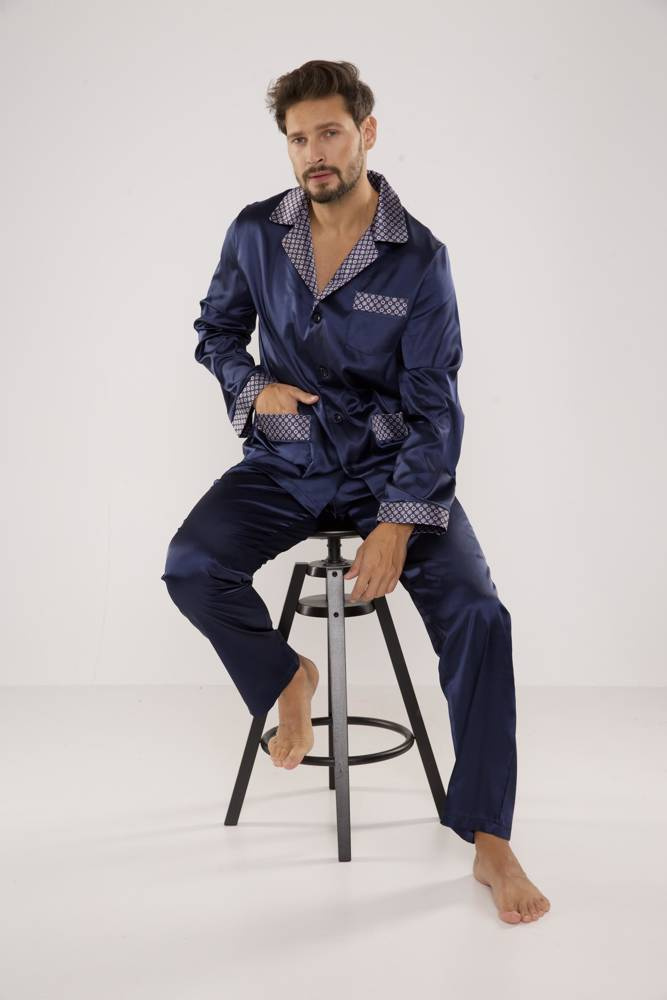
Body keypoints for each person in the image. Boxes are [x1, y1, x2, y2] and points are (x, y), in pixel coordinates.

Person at [161, 59, 551, 924]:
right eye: (298, 138)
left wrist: (399, 525)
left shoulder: (419, 259)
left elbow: (434, 406)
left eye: (329, 133)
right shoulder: (255, 231)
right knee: (191, 566)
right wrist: (250, 385)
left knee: (479, 616)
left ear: (366, 133)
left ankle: (489, 838)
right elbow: (216, 330)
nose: (313, 153)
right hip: (287, 462)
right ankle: (286, 676)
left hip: (390, 471)